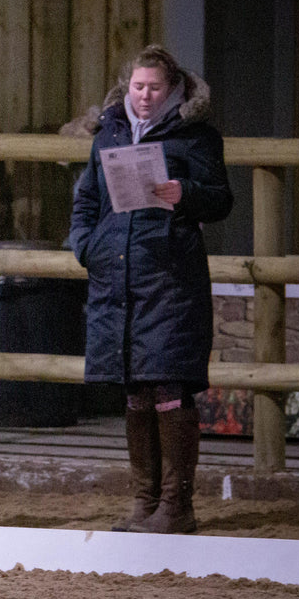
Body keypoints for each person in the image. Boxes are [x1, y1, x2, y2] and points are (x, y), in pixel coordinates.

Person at [69, 44, 232, 534]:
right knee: (135, 390)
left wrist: (187, 194)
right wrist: (85, 246)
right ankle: (145, 503)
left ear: (173, 88)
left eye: (154, 88)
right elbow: (87, 199)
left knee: (168, 386)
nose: (144, 96)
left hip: (169, 279)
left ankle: (176, 506)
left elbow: (221, 198)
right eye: (137, 86)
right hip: (115, 275)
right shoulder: (110, 132)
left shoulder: (196, 136)